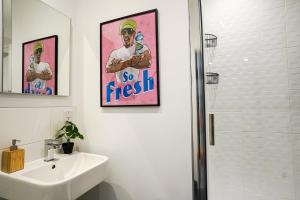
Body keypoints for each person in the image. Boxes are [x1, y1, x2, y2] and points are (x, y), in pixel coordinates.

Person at [106, 19, 152, 83]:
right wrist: (129, 62)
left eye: (129, 31)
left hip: (134, 87)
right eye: (123, 32)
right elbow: (108, 69)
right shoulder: (115, 53)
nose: (126, 34)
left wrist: (120, 65)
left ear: (134, 34)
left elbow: (148, 62)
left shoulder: (140, 47)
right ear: (121, 35)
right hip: (120, 89)